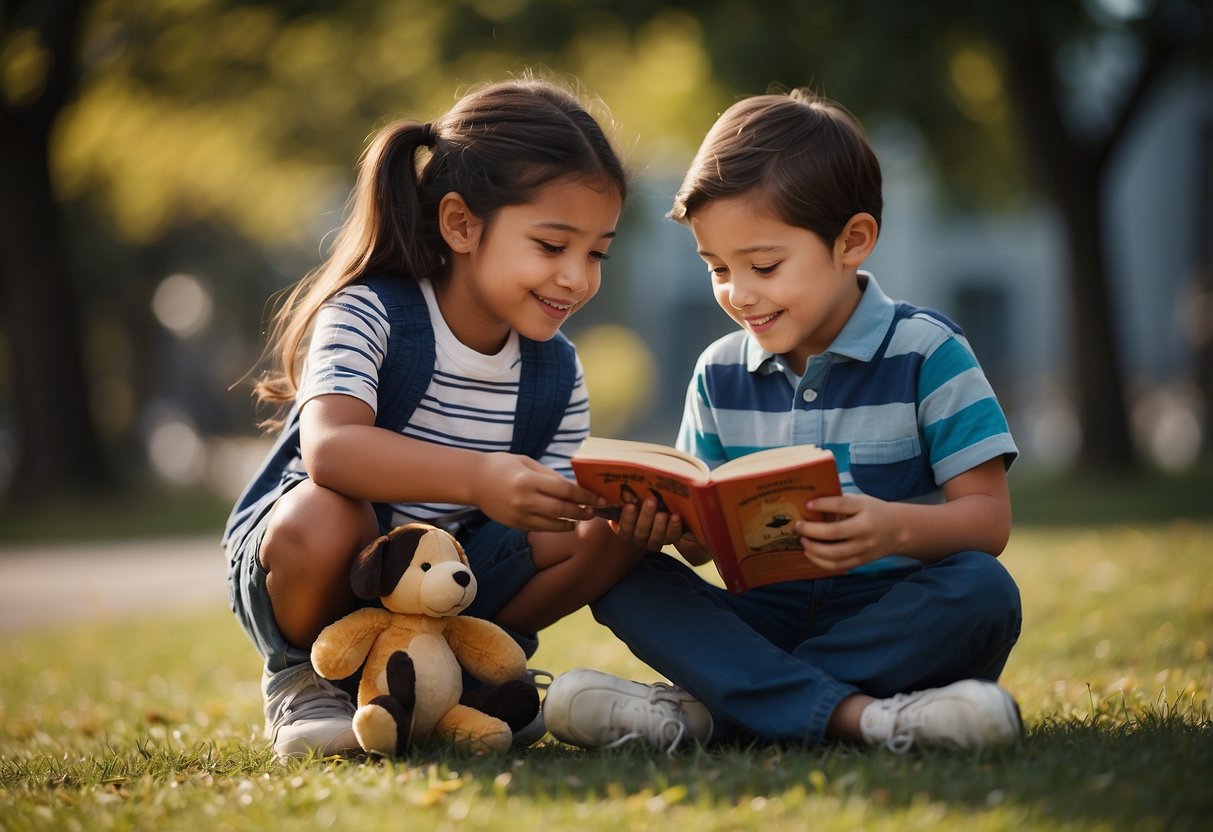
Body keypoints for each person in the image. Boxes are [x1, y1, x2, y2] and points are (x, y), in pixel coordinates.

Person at [542, 89, 1024, 754]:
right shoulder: (717, 372)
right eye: (716, 268)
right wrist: (667, 529)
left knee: (982, 591)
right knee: (621, 577)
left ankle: (714, 713)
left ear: (851, 241)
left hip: (889, 613)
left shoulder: (927, 352)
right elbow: (708, 545)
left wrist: (893, 528)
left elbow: (986, 523)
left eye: (763, 265)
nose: (738, 292)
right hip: (762, 619)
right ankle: (868, 717)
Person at [222, 76, 639, 760]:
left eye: (595, 253)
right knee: (326, 514)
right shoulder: (370, 314)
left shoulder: (556, 370)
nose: (576, 277)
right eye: (551, 245)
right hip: (330, 571)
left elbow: (557, 533)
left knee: (598, 535)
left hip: (455, 589)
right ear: (461, 224)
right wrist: (479, 477)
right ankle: (307, 681)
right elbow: (331, 450)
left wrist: (625, 516)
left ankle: (470, 679)